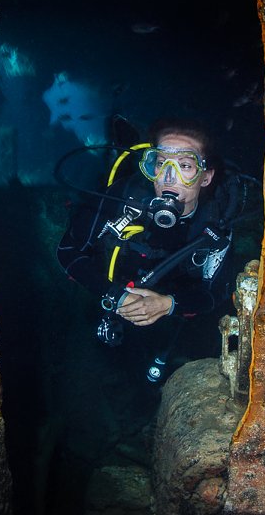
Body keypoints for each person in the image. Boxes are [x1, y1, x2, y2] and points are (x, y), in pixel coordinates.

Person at [56, 118, 236, 382]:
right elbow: (68, 251)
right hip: (112, 297)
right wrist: (113, 294)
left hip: (173, 322)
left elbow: (214, 293)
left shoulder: (216, 222)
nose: (168, 176)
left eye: (185, 165)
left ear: (206, 177)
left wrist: (168, 304)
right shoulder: (122, 196)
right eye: (161, 163)